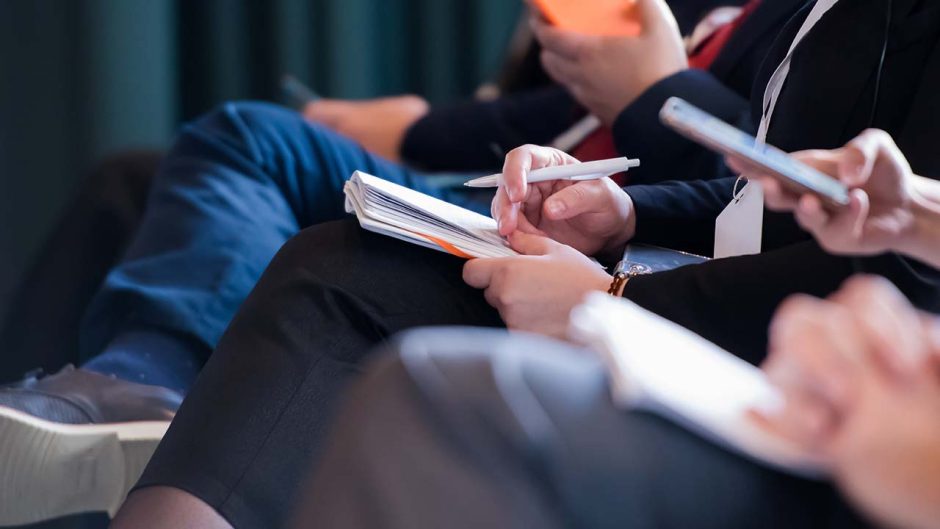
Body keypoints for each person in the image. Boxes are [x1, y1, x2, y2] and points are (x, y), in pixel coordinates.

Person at [105, 2, 940, 527]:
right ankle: (105, 398)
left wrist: (617, 296)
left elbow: (894, 280)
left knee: (384, 323)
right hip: (705, 297)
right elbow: (761, 197)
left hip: (789, 378)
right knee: (321, 254)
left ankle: (143, 392)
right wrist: (623, 215)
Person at [294, 131, 940, 529]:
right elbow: (755, 203)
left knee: (446, 388)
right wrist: (915, 212)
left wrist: (618, 296)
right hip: (803, 374)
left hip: (864, 445)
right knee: (337, 255)